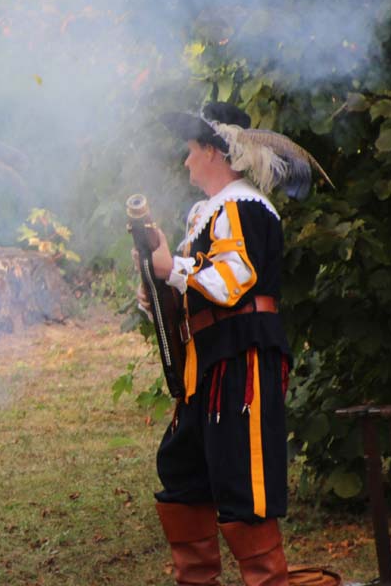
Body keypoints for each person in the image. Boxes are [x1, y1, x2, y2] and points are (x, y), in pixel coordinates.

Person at [138, 101, 325, 586]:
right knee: (184, 471)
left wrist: (173, 269)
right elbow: (195, 291)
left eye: (191, 150)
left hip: (243, 356)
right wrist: (159, 286)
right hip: (208, 361)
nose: (186, 161)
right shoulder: (206, 213)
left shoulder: (242, 205)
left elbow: (233, 279)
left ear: (214, 152)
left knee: (244, 481)